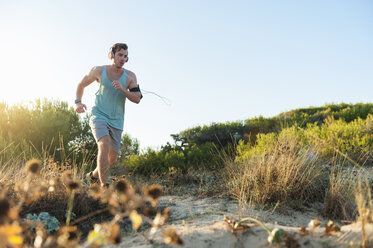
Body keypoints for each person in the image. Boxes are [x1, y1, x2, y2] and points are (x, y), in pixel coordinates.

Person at [75, 43, 142, 187]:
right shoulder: (98, 71)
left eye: (125, 56)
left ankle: (91, 177)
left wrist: (123, 90)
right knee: (103, 144)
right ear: (111, 55)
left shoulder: (130, 76)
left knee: (111, 160)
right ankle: (104, 187)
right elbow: (81, 84)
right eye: (120, 55)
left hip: (117, 121)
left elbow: (137, 98)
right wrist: (78, 102)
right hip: (99, 115)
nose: (122, 59)